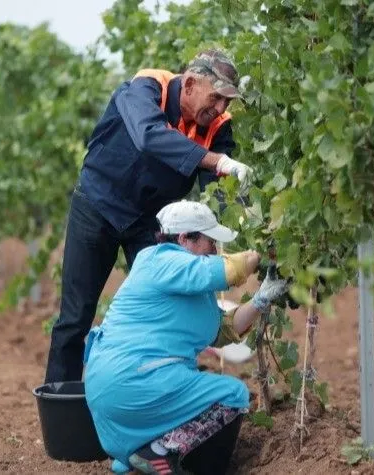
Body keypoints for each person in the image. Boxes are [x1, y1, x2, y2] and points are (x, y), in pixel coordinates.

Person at [45, 49, 254, 384]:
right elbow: (148, 136)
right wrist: (215, 161)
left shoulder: (217, 126)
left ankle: (176, 392)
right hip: (97, 207)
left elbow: (220, 191)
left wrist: (242, 218)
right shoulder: (146, 89)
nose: (219, 109)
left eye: (227, 102)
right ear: (188, 84)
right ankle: (62, 406)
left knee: (172, 305)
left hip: (149, 223)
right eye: (215, 98)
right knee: (75, 318)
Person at [83, 201, 288, 474]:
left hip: (117, 390)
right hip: (133, 381)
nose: (214, 249)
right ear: (183, 239)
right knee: (233, 395)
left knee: (186, 393)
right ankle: (160, 452)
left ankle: (134, 455)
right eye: (209, 240)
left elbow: (224, 329)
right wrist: (264, 253)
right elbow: (229, 270)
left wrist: (261, 299)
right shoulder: (160, 259)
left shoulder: (191, 285)